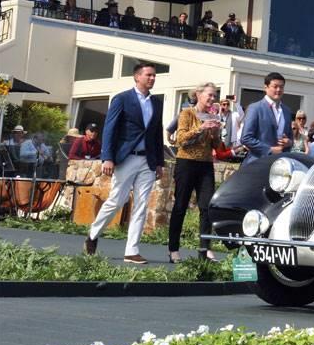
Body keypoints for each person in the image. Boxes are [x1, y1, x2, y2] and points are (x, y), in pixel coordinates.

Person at [85, 62, 164, 264]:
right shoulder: (122, 99)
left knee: (141, 204)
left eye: (154, 75)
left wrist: (159, 162)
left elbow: (156, 133)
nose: (153, 78)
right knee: (116, 201)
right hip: (126, 158)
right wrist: (107, 157)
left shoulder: (156, 103)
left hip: (147, 160)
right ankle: (93, 234)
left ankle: (131, 251)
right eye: (149, 75)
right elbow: (110, 129)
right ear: (137, 77)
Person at [168, 82, 223, 263]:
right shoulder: (187, 113)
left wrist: (216, 132)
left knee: (207, 207)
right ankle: (173, 249)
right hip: (186, 163)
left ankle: (205, 249)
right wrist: (201, 127)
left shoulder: (213, 116)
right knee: (180, 206)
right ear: (198, 95)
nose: (212, 99)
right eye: (209, 95)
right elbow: (181, 139)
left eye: (214, 95)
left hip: (205, 164)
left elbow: (216, 146)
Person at [240, 72, 293, 163]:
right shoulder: (255, 108)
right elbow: (246, 138)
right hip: (257, 162)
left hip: (279, 163)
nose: (279, 89)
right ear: (266, 87)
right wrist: (269, 150)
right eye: (275, 86)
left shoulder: (287, 111)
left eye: (281, 87)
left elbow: (291, 137)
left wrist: (289, 142)